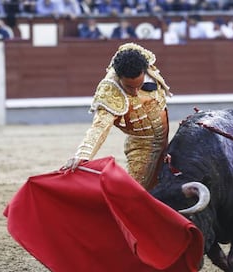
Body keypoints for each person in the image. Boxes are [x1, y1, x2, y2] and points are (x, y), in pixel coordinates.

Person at [63, 43, 171, 190]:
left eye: (138, 86)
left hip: (169, 140)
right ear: (119, 78)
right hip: (142, 146)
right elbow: (100, 127)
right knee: (136, 191)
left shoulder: (142, 62)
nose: (134, 92)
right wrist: (83, 154)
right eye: (129, 88)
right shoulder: (110, 91)